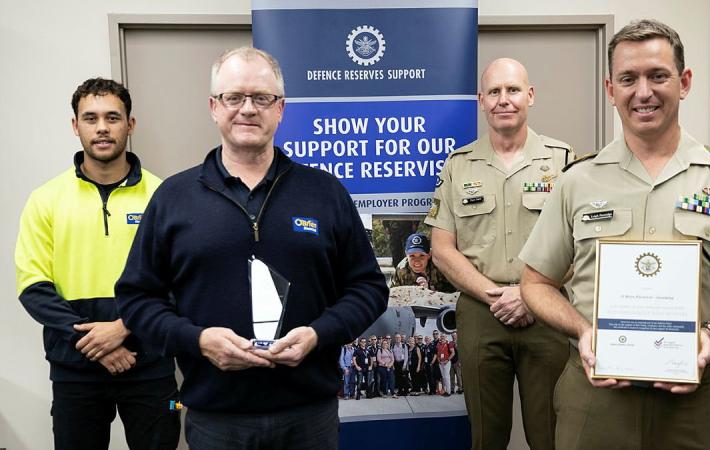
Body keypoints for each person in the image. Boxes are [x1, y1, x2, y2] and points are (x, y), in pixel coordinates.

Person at [519, 19, 710, 450]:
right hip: (595, 400)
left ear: (683, 82)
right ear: (611, 90)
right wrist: (582, 331)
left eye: (657, 75)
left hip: (695, 405)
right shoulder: (576, 181)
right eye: (628, 78)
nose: (642, 91)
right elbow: (535, 284)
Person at [114, 47, 388, 449]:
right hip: (215, 419)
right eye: (233, 97)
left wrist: (318, 334)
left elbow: (368, 288)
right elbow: (137, 299)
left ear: (280, 109)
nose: (247, 109)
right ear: (213, 106)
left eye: (261, 98)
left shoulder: (324, 192)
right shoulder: (173, 198)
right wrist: (198, 340)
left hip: (309, 417)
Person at [14, 78, 180, 450]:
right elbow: (32, 287)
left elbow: (180, 282)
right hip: (75, 372)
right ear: (75, 126)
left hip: (152, 367)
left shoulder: (164, 196)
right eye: (90, 118)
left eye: (112, 117)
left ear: (130, 125)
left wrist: (123, 328)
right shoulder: (45, 200)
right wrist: (95, 343)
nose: (102, 128)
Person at [425, 57, 573, 449]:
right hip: (481, 310)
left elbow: (582, 245)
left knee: (551, 434)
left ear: (530, 95)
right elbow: (442, 249)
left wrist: (529, 295)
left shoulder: (563, 161)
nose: (503, 100)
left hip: (548, 311)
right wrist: (496, 294)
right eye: (494, 92)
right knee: (486, 436)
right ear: (481, 100)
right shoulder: (458, 165)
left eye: (512, 90)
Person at [390, 232, 457, 292]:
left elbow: (455, 293)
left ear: (429, 254)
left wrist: (429, 290)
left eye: (421, 255)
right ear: (406, 254)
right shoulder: (401, 269)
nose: (417, 261)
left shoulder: (440, 266)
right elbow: (392, 295)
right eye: (412, 256)